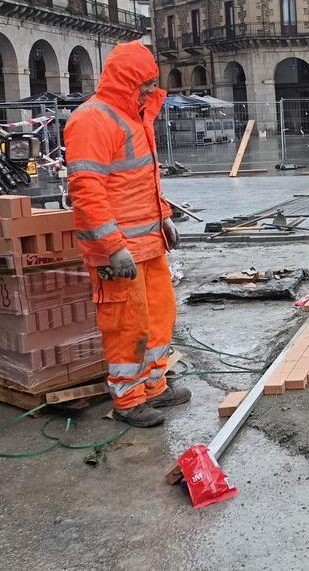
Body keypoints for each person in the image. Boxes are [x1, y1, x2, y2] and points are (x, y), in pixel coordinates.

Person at [64, 40, 191, 428]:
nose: (152, 89)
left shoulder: (134, 116)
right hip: (118, 251)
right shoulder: (93, 120)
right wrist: (112, 247)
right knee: (126, 324)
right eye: (145, 82)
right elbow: (87, 191)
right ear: (126, 81)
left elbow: (140, 181)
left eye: (153, 82)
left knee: (158, 315)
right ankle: (128, 400)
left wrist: (164, 217)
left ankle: (154, 386)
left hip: (147, 244)